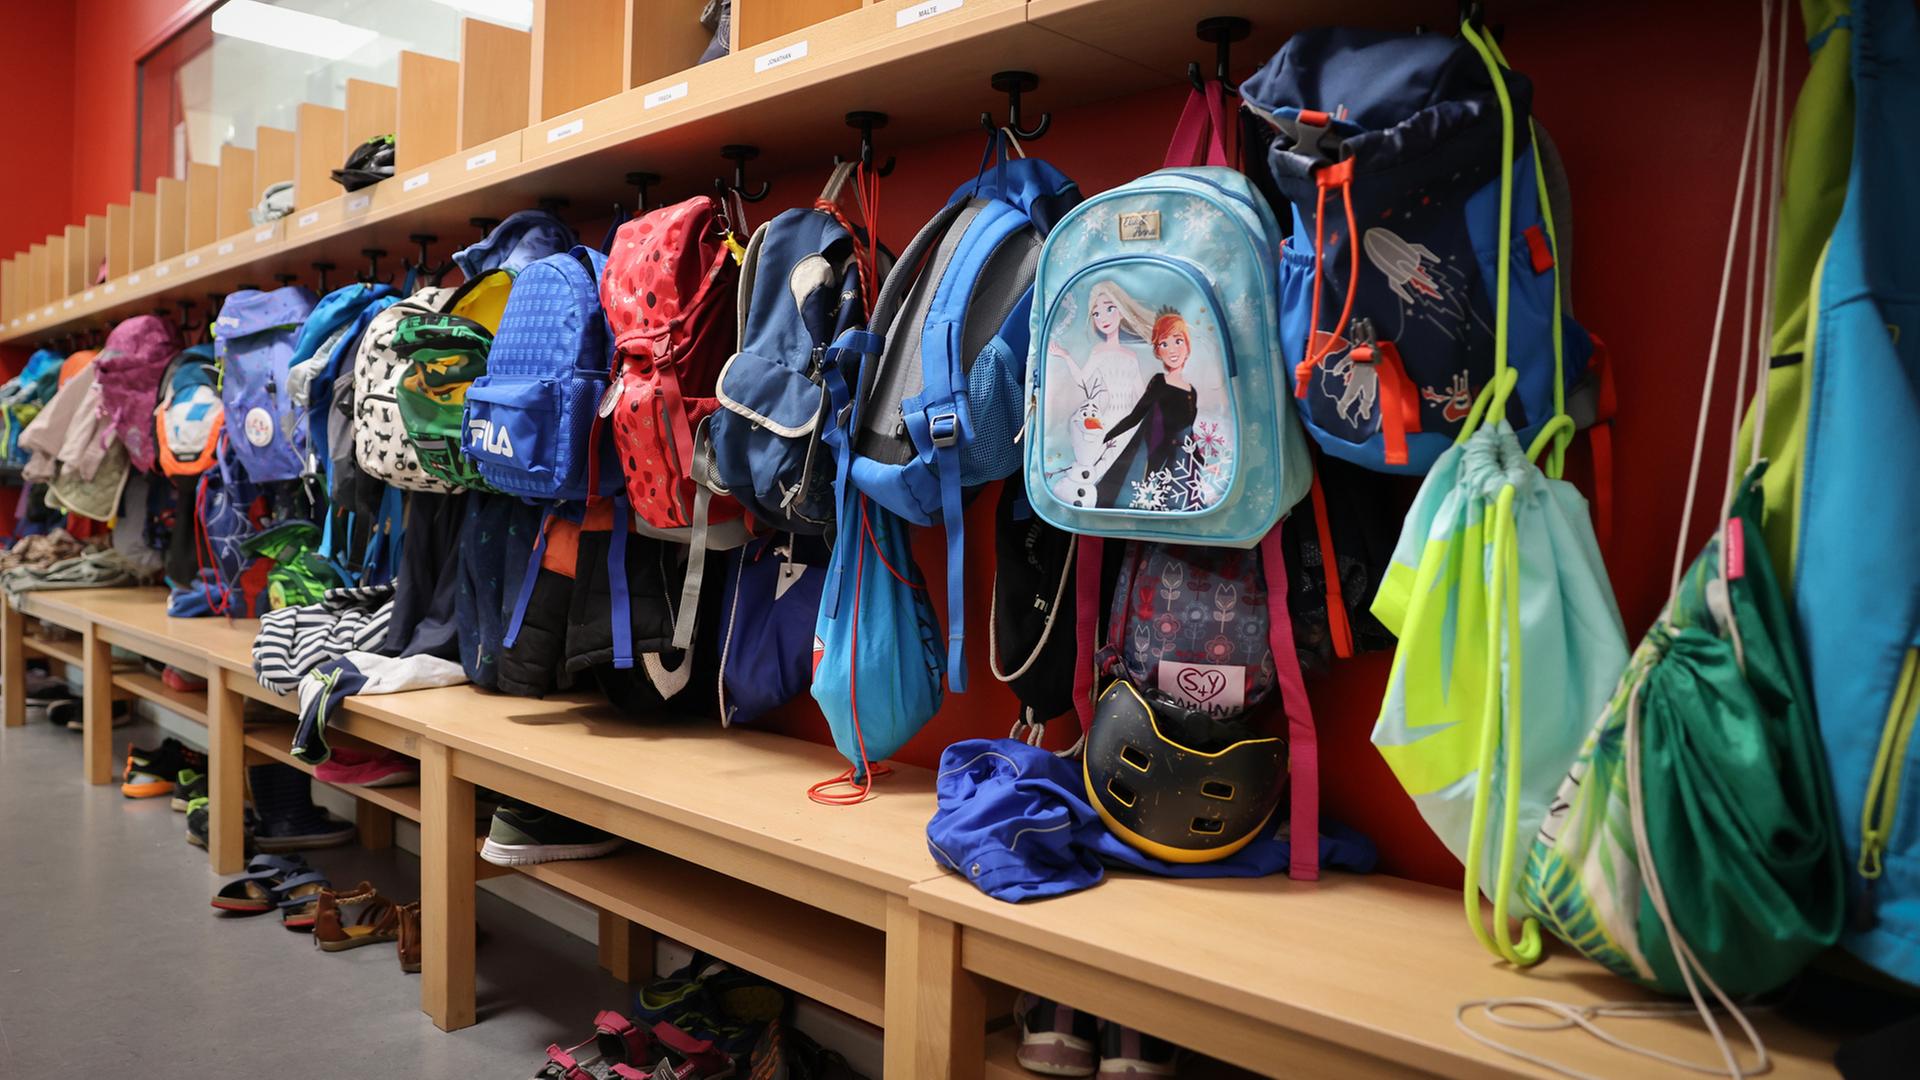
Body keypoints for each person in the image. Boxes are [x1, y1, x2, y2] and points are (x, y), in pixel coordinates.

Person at [1047, 281, 1154, 503]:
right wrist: (1066, 357)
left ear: (1122, 311)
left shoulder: (1131, 356)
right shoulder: (1098, 351)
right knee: (1096, 469)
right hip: (1104, 421)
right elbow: (1083, 381)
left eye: (1109, 308)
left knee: (1119, 470)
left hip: (1128, 422)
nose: (1102, 317)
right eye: (1096, 313)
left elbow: (1141, 393)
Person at [1102, 308, 1201, 503]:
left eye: (1178, 341)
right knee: (1146, 498)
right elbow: (1136, 415)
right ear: (1158, 351)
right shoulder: (1159, 381)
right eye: (1164, 344)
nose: (1172, 350)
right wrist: (1108, 435)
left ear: (1188, 345)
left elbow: (1189, 433)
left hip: (1178, 459)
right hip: (1152, 453)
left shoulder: (1192, 391)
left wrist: (1202, 462)